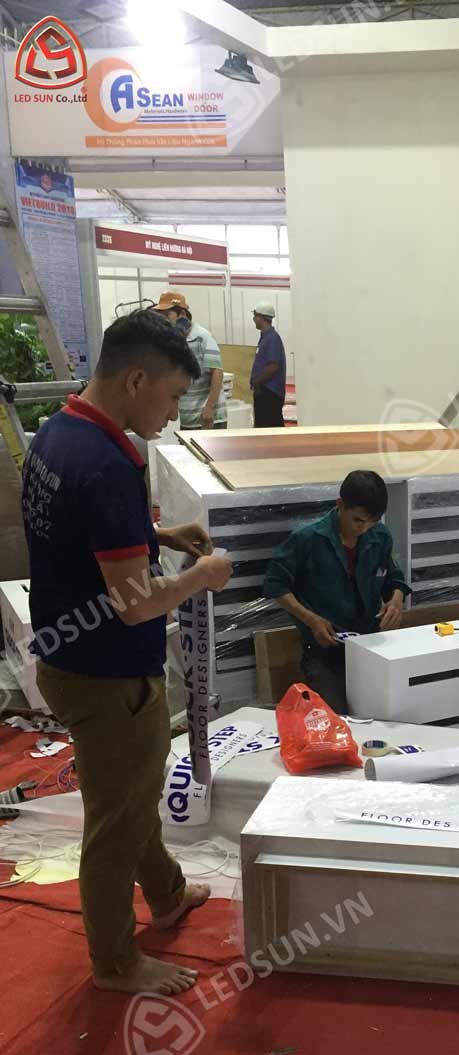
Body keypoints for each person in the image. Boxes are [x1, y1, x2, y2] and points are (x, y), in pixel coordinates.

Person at [22, 311, 234, 996]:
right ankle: (115, 962)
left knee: (132, 792)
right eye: (171, 397)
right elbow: (136, 603)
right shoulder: (109, 464)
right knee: (117, 822)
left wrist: (160, 535)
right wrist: (202, 576)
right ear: (136, 380)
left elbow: (80, 533)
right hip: (107, 672)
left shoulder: (59, 432)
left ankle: (166, 894)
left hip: (65, 653)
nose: (172, 414)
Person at [262, 470, 411, 713]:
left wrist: (395, 601)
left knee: (384, 713)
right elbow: (275, 585)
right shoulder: (307, 539)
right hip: (324, 651)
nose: (364, 529)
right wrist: (311, 619)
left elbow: (393, 577)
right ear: (340, 504)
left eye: (372, 522)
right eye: (358, 520)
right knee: (335, 717)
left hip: (370, 645)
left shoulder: (380, 536)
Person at [153, 291, 225, 430]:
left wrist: (209, 407)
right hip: (188, 419)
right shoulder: (174, 341)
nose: (165, 321)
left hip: (207, 419)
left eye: (167, 315)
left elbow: (217, 372)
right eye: (161, 316)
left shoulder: (202, 337)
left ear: (182, 314)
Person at [250, 301, 286, 428]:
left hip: (270, 394)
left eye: (255, 316)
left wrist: (257, 382)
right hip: (265, 392)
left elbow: (272, 366)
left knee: (269, 429)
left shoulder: (272, 339)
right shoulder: (265, 338)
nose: (254, 319)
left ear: (261, 317)